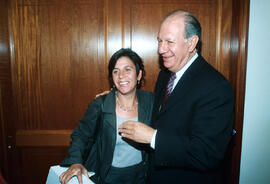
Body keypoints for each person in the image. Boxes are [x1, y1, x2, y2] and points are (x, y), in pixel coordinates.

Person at [118, 9, 235, 184]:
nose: (160, 49)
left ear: (191, 43)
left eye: (169, 42)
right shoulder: (166, 75)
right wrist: (119, 95)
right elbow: (164, 110)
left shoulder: (217, 87)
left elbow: (207, 153)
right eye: (159, 41)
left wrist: (153, 138)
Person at [59, 48, 154, 184]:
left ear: (139, 75)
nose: (121, 76)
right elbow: (81, 136)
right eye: (116, 71)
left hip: (142, 176)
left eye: (128, 69)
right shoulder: (100, 105)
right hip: (108, 176)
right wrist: (75, 161)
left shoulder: (151, 101)